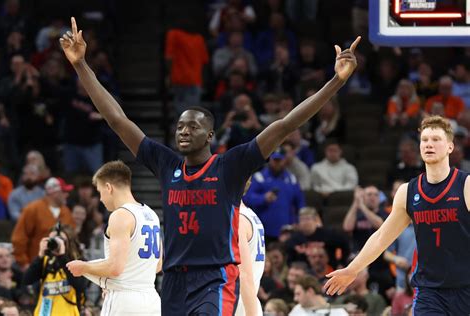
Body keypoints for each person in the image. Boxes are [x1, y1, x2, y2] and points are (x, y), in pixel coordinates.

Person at [60, 17, 360, 315]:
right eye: (180, 127)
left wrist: (336, 81)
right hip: (175, 280)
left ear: (210, 135)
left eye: (193, 127)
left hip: (215, 279)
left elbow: (283, 126)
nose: (184, 131)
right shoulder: (166, 165)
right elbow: (117, 120)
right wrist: (80, 65)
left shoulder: (229, 166)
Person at [325, 116, 470, 315]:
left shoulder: (466, 185)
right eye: (425, 140)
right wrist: (353, 269)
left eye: (436, 139)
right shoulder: (407, 192)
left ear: (450, 147)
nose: (429, 144)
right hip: (430, 292)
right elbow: (381, 237)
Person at [66, 161, 162, 315]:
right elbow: (158, 265)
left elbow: (115, 268)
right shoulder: (151, 214)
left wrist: (83, 267)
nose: (101, 199)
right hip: (152, 300)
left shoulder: (120, 215)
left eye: (100, 192)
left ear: (108, 188)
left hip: (125, 302)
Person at [22, 224, 87, 316]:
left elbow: (81, 286)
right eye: (52, 239)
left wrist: (62, 257)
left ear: (69, 242)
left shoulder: (80, 262)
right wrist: (40, 256)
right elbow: (27, 280)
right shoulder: (45, 261)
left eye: (60, 240)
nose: (55, 243)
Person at [235, 200, 265, 316]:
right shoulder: (250, 214)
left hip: (241, 307)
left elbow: (243, 275)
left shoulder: (237, 220)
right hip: (249, 304)